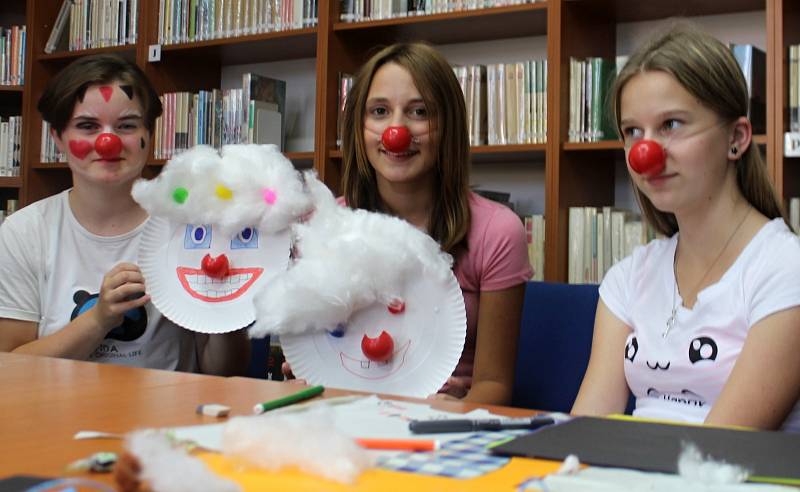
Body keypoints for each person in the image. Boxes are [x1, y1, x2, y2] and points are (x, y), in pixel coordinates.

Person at [571, 25, 800, 431]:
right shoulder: (629, 276)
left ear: (737, 137)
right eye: (632, 132)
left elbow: (724, 446)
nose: (646, 153)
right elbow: (585, 430)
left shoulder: (786, 269)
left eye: (671, 124)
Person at [0, 54, 249, 375]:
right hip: (56, 420)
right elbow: (9, 368)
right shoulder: (25, 231)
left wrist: (227, 307)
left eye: (126, 125)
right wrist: (99, 318)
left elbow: (224, 373)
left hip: (166, 420)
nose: (108, 142)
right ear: (57, 138)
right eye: (87, 126)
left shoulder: (191, 229)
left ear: (151, 134)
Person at [335, 42, 531, 404]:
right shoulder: (326, 227)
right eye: (379, 111)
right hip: (342, 414)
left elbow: (495, 385)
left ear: (448, 126)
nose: (397, 131)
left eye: (419, 112)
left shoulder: (497, 232)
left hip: (440, 424)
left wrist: (452, 412)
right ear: (359, 128)